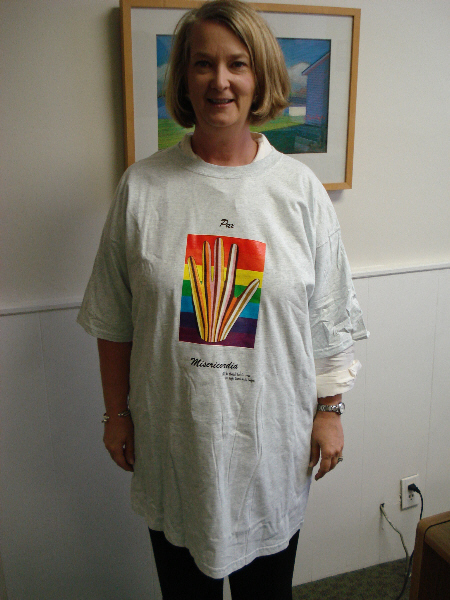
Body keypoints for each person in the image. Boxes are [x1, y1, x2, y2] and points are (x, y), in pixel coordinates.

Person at [77, 1, 368, 598]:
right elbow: (114, 317)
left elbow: (330, 314)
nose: (220, 81)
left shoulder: (299, 191)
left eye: (238, 64)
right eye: (203, 64)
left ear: (260, 76)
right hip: (174, 441)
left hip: (271, 444)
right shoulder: (142, 188)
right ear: (183, 78)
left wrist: (331, 410)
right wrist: (116, 414)